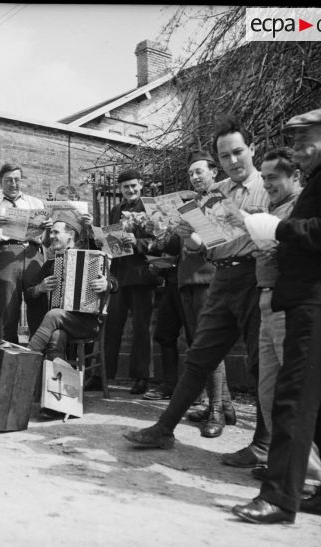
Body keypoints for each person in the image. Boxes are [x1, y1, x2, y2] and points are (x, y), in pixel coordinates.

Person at [123, 115, 271, 465]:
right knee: (200, 356)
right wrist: (183, 229)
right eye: (225, 156)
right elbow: (198, 244)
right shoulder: (215, 193)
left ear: (252, 149)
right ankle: (163, 429)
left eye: (238, 152)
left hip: (255, 277)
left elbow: (275, 234)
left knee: (260, 362)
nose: (233, 161)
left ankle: (263, 443)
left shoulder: (268, 186)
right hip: (221, 278)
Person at [232, 108, 321, 524]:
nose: (299, 142)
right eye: (294, 134)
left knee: (292, 400)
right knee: (320, 408)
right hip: (307, 297)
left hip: (315, 301)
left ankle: (278, 498)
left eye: (308, 134)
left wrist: (278, 230)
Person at [144, 150, 236, 439]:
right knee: (198, 343)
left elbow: (216, 243)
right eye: (191, 173)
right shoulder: (191, 204)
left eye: (200, 171)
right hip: (186, 280)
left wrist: (192, 234)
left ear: (214, 173)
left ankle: (216, 411)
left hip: (209, 280)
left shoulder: (218, 201)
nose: (195, 176)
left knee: (207, 347)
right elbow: (177, 246)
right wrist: (160, 230)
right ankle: (227, 406)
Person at [27, 215, 117, 360]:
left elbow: (113, 281)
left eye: (56, 232)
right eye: (51, 233)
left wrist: (107, 284)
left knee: (53, 315)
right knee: (57, 335)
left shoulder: (91, 258)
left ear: (71, 234)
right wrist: (40, 288)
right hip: (62, 323)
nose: (51, 236)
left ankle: (26, 358)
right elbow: (28, 293)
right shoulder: (50, 264)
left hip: (86, 323)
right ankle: (56, 378)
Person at [0, 163, 50, 343]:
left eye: (17, 180)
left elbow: (46, 240)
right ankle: (9, 354)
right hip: (6, 253)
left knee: (38, 303)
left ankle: (37, 355)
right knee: (8, 306)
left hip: (33, 253)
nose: (13, 184)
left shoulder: (35, 203)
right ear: (0, 182)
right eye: (8, 180)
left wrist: (47, 228)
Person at [102, 169, 156, 395]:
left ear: (141, 184)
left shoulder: (151, 206)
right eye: (125, 187)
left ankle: (142, 377)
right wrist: (104, 239)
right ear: (120, 189)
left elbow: (161, 240)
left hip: (143, 273)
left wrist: (137, 242)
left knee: (141, 328)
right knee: (111, 325)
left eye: (133, 186)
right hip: (119, 274)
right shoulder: (115, 210)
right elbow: (111, 244)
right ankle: (104, 375)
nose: (130, 190)